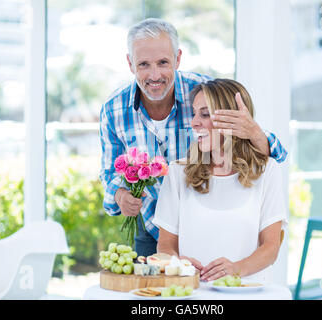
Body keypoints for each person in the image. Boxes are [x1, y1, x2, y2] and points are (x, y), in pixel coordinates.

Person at [99, 18, 287, 257]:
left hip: (203, 222)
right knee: (154, 291)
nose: (154, 74)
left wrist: (255, 134)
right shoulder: (113, 109)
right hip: (151, 226)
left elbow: (261, 149)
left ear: (178, 58)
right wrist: (120, 195)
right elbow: (109, 172)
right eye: (144, 64)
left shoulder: (203, 93)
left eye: (163, 62)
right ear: (130, 63)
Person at [152, 79, 288, 282]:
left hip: (247, 293)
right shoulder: (178, 172)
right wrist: (178, 264)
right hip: (194, 293)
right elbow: (165, 245)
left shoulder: (267, 171)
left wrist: (235, 269)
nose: (194, 122)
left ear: (234, 120)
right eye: (195, 113)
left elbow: (271, 248)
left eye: (205, 114)